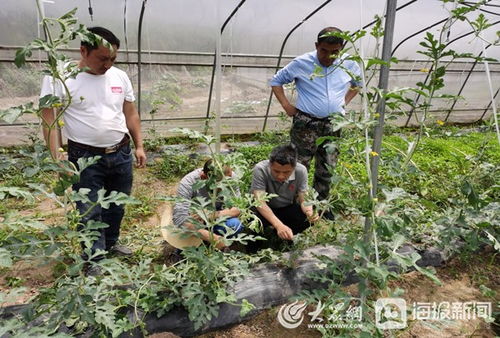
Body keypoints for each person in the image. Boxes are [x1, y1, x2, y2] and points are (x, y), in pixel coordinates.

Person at [40, 27, 146, 268]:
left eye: (113, 59)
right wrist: (56, 155)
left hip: (120, 152)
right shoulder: (60, 77)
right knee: (89, 209)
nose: (108, 64)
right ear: (83, 51)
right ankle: (94, 257)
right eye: (102, 58)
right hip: (84, 156)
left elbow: (130, 112)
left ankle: (110, 243)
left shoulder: (119, 77)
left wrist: (139, 145)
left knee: (117, 204)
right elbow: (49, 118)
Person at [270, 27, 362, 218]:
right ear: (317, 46)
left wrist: (343, 102)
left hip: (333, 124)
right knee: (299, 165)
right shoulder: (302, 63)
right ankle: (296, 207)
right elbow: (276, 81)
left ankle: (321, 206)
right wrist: (287, 105)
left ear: (341, 48)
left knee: (328, 165)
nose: (329, 56)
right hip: (306, 123)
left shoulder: (349, 64)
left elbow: (358, 84)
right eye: (324, 51)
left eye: (335, 51)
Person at [250, 144, 319, 250]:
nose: (280, 176)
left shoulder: (301, 171)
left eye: (287, 172)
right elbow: (260, 202)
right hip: (262, 210)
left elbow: (303, 198)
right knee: (253, 220)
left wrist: (309, 213)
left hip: (285, 208)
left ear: (294, 167)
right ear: (270, 165)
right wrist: (278, 225)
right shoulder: (260, 169)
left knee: (304, 217)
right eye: (276, 171)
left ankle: (285, 240)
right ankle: (254, 250)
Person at [171, 160, 243, 250]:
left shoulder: (231, 178)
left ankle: (216, 243)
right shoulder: (188, 182)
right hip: (194, 223)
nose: (223, 186)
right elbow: (179, 219)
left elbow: (238, 208)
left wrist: (211, 215)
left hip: (216, 219)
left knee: (235, 225)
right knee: (184, 237)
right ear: (204, 177)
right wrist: (212, 238)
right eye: (219, 183)